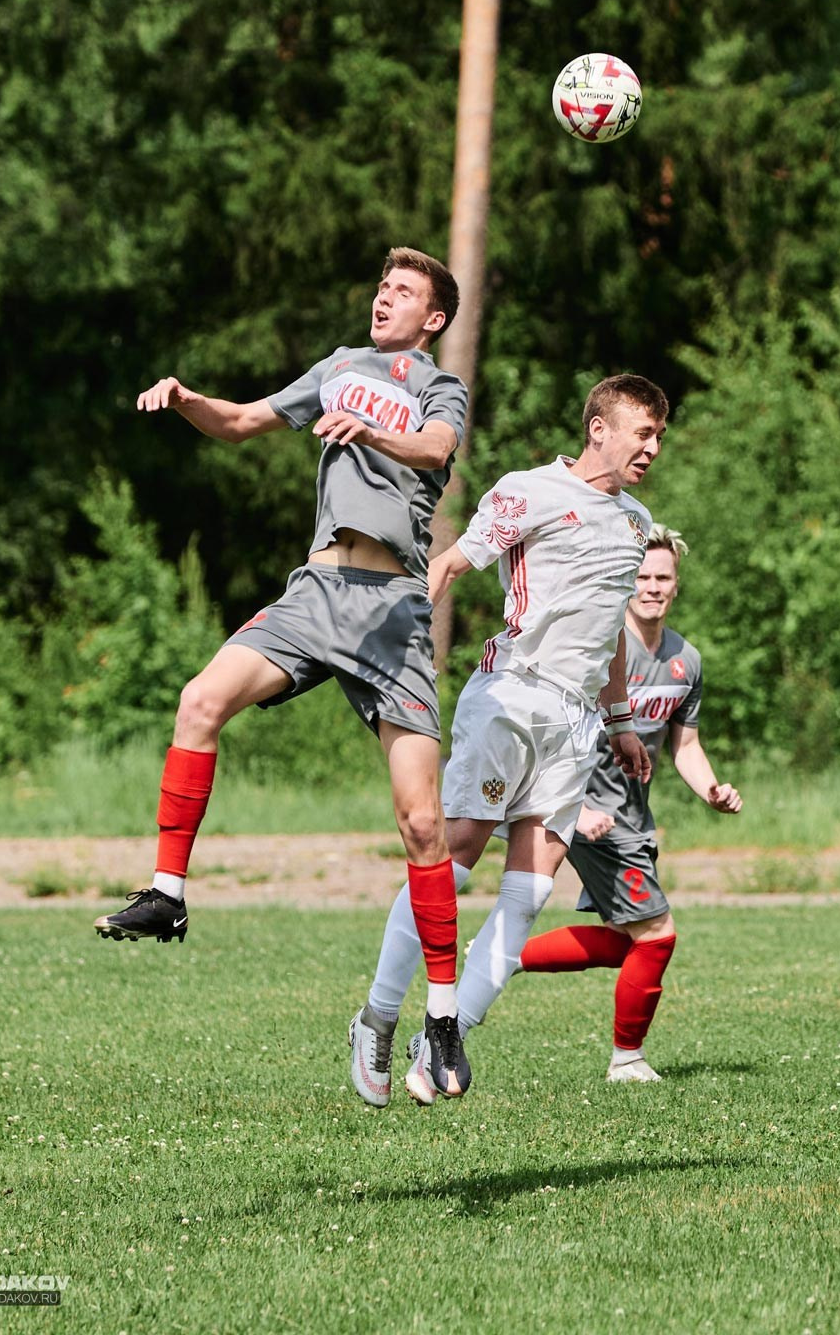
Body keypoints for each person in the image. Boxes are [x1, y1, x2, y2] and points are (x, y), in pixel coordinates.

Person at [94, 247, 472, 1096]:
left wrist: (371, 429)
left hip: (392, 613)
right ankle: (167, 892)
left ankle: (441, 1019)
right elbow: (238, 422)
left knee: (420, 824)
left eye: (404, 292)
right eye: (381, 286)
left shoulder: (437, 386)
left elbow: (433, 445)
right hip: (316, 593)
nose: (385, 298)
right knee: (199, 702)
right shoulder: (338, 368)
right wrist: (188, 400)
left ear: (433, 318)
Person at [348, 373, 668, 1109]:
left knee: (528, 893)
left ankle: (445, 1036)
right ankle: (379, 1014)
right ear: (598, 429)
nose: (650, 448)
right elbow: (452, 564)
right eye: (639, 432)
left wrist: (619, 724)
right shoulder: (530, 491)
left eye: (657, 436)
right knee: (456, 858)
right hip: (513, 699)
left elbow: (607, 635)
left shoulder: (634, 521)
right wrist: (393, 647)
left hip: (576, 723)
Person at [518, 524, 742, 1083]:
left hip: (634, 817)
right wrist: (574, 809)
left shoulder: (685, 660)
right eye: (641, 576)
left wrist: (712, 789)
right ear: (625, 582)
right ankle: (627, 1059)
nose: (651, 586)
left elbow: (685, 745)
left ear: (676, 584)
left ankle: (500, 957)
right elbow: (550, 732)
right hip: (594, 815)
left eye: (662, 577)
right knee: (657, 934)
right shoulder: (595, 649)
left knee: (627, 942)